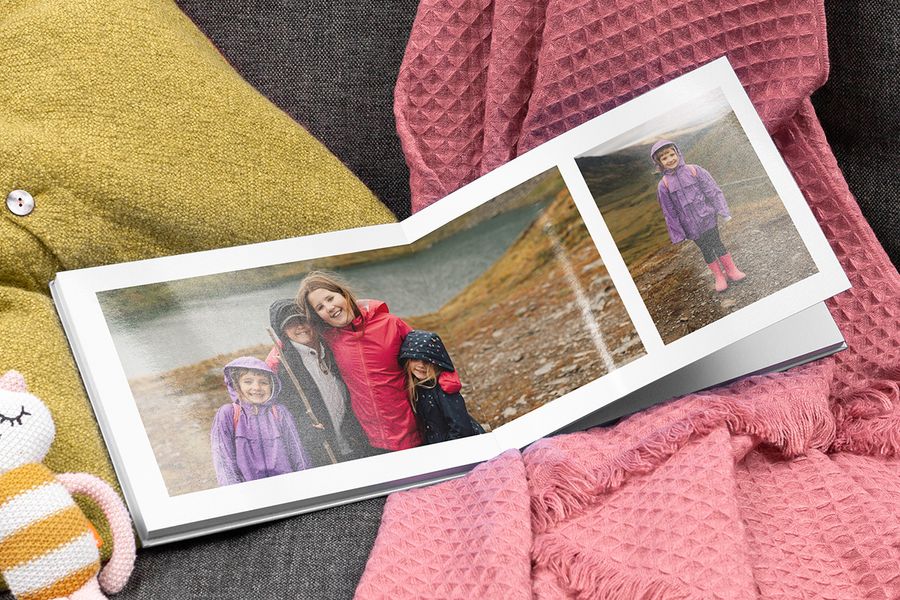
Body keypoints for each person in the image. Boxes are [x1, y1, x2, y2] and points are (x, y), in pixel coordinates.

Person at [296, 271, 422, 452]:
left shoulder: (391, 324)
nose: (329, 307)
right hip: (369, 438)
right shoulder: (328, 338)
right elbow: (292, 338)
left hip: (412, 431)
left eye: (330, 298)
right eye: (320, 307)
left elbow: (430, 357)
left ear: (343, 294)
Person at [265, 299, 373, 466]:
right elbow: (287, 410)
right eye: (291, 323)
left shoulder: (332, 348)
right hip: (325, 450)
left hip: (355, 439)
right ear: (283, 332)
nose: (300, 326)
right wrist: (307, 430)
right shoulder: (284, 367)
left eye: (303, 319)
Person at [651, 139, 747, 292]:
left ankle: (732, 271)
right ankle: (719, 277)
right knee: (706, 250)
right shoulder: (663, 185)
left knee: (717, 243)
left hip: (708, 218)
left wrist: (723, 211)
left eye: (671, 154)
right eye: (664, 158)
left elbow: (712, 190)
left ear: (677, 153)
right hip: (691, 227)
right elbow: (669, 212)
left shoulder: (694, 170)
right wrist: (678, 234)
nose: (670, 159)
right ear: (660, 162)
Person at [210, 356, 310, 485]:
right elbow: (223, 460)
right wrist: (234, 492)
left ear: (272, 386)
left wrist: (307, 482)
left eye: (263, 382)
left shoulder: (279, 412)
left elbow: (298, 452)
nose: (256, 387)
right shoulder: (228, 413)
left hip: (288, 485)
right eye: (248, 381)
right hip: (250, 490)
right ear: (237, 385)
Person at [399, 330, 486, 444]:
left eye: (427, 360)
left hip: (462, 447)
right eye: (415, 358)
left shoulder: (444, 389)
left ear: (437, 362)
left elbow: (461, 428)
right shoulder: (418, 387)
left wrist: (446, 452)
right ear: (407, 360)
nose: (421, 365)